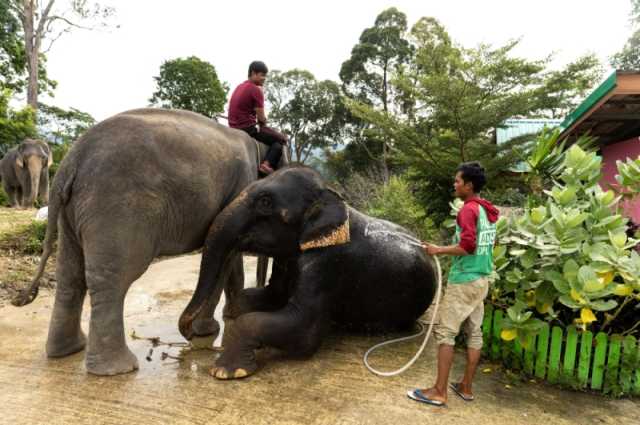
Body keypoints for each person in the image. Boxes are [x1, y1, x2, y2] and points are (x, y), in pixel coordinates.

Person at [408, 161, 499, 407]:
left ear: (469, 186)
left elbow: (467, 246)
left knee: (445, 333)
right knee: (474, 333)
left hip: (465, 281)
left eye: (458, 181)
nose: (454, 184)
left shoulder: (468, 210)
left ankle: (439, 391)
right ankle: (466, 387)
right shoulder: (487, 211)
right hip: (482, 280)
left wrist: (437, 250)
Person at [228, 60, 287, 175]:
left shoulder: (239, 86)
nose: (264, 78)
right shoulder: (256, 90)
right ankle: (267, 164)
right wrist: (265, 121)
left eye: (265, 75)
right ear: (253, 73)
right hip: (247, 128)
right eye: (262, 75)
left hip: (233, 126)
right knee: (280, 141)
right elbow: (261, 119)